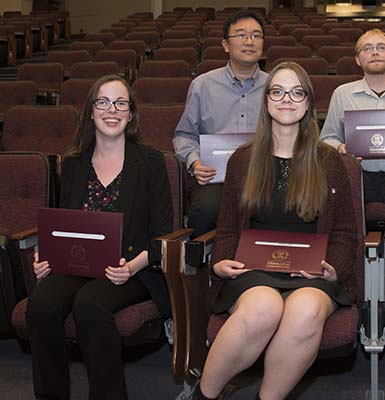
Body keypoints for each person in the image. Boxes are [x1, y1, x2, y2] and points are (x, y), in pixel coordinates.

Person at [189, 62, 358, 400]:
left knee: (304, 310)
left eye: (297, 92)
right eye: (277, 92)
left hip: (311, 274)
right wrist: (220, 262)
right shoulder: (242, 160)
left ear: (308, 103)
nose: (286, 100)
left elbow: (344, 231)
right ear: (266, 101)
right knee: (263, 308)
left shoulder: (328, 161)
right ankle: (203, 395)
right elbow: (228, 226)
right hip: (254, 270)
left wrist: (334, 270)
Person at [27, 75, 173, 400]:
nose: (112, 110)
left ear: (131, 114)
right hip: (79, 265)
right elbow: (62, 226)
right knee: (41, 304)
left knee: (90, 304)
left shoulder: (151, 162)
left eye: (120, 103)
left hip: (133, 268)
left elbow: (163, 235)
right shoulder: (73, 163)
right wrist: (45, 255)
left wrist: (131, 267)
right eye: (103, 102)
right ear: (91, 112)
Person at [173, 9, 268, 237]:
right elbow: (184, 135)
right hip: (214, 176)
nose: (249, 41)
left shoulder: (274, 86)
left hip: (263, 174)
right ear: (226, 44)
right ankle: (201, 259)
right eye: (241, 35)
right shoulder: (203, 85)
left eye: (256, 35)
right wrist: (195, 163)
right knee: (206, 209)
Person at [320, 29, 385, 205]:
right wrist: (340, 147)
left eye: (382, 47)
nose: (375, 52)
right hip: (356, 177)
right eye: (367, 48)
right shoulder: (342, 94)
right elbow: (326, 139)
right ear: (357, 59)